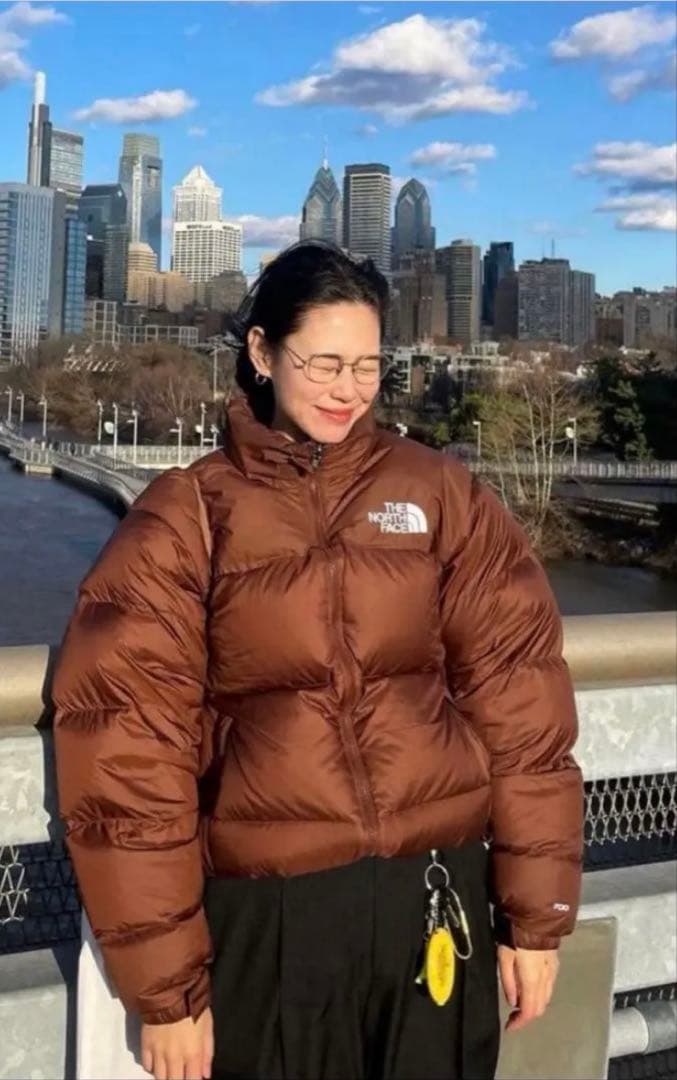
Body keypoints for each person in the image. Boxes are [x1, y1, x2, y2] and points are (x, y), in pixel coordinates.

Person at [52, 242, 584, 1080]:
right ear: (262, 353)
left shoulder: (440, 494)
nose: (348, 388)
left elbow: (521, 707)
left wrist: (535, 916)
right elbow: (127, 752)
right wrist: (166, 991)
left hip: (432, 895)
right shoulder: (188, 514)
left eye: (367, 365)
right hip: (274, 919)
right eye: (324, 363)